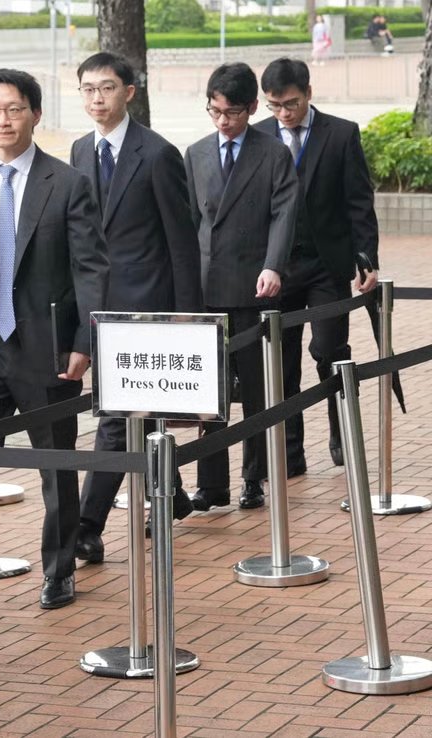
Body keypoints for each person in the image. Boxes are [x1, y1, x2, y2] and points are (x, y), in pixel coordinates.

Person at [0, 68, 110, 617]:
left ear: (35, 113)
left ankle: (59, 570)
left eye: (13, 109)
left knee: (55, 464)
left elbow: (90, 269)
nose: (2, 120)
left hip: (46, 347)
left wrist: (84, 341)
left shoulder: (68, 182)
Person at [69, 52, 202, 563]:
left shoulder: (158, 153)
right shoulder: (79, 150)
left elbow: (181, 243)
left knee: (114, 416)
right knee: (139, 413)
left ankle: (87, 525)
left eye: (106, 88)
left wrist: (188, 317)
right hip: (97, 309)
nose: (96, 98)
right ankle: (174, 491)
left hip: (148, 308)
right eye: (88, 89)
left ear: (128, 92)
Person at [184, 62, 297, 512]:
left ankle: (254, 477)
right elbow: (189, 221)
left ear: (251, 108)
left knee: (254, 390)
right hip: (206, 287)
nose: (222, 121)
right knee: (206, 391)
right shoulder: (195, 153)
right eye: (214, 111)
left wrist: (273, 266)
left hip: (254, 286)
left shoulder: (273, 154)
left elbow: (284, 213)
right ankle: (211, 485)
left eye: (231, 112)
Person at [257, 58, 379, 471]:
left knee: (329, 350)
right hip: (277, 268)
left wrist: (367, 257)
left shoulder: (341, 134)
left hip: (327, 264)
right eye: (275, 105)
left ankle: (341, 433)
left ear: (308, 93)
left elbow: (359, 202)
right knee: (282, 363)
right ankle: (290, 453)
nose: (284, 113)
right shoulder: (259, 137)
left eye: (291, 103)